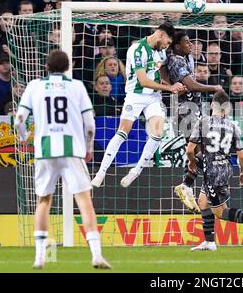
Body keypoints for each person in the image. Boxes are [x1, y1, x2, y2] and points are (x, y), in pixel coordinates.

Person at [13, 49, 111, 269]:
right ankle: (96, 255)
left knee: (44, 201)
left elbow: (19, 120)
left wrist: (24, 138)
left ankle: (39, 257)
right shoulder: (76, 86)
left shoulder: (34, 86)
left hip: (45, 151)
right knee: (84, 202)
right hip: (72, 150)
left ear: (46, 67)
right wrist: (88, 148)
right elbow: (90, 124)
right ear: (68, 68)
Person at [91, 22, 184, 188]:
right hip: (136, 96)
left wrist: (172, 84)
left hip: (153, 98)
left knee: (157, 133)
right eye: (168, 42)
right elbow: (143, 80)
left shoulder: (161, 52)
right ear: (160, 35)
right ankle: (101, 172)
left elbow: (157, 73)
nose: (167, 46)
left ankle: (136, 170)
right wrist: (169, 88)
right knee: (122, 133)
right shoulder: (137, 50)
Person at [188, 91, 243, 251]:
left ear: (212, 105)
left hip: (211, 170)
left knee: (220, 212)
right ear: (227, 109)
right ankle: (209, 241)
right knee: (203, 202)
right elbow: (242, 157)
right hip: (225, 168)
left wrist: (192, 163)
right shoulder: (232, 126)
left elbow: (190, 150)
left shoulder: (203, 123)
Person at [167, 31, 223, 213]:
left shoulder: (184, 60)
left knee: (203, 153)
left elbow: (167, 73)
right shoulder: (176, 60)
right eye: (186, 42)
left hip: (192, 110)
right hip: (186, 111)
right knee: (203, 152)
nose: (190, 44)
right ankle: (189, 185)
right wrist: (214, 87)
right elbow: (191, 85)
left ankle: (188, 185)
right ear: (176, 46)